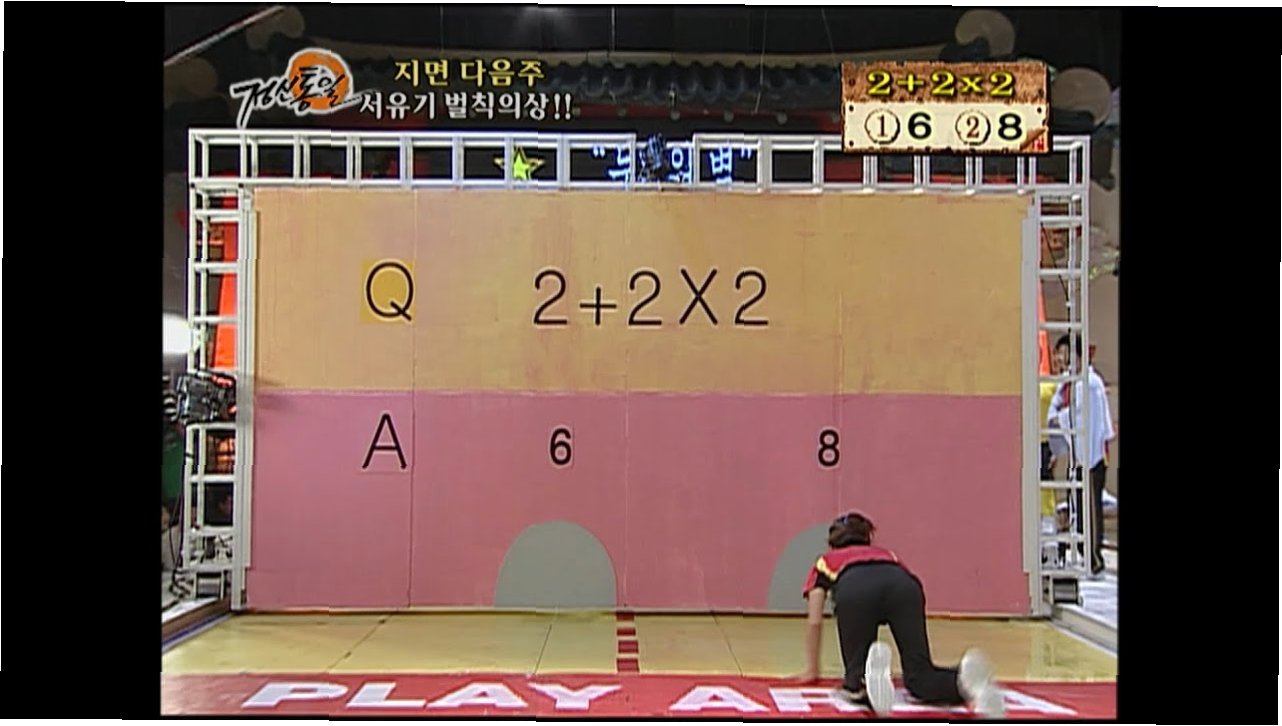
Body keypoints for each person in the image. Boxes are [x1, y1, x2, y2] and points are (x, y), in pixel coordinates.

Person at [796, 511, 1004, 717]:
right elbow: (901, 577)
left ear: (833, 542)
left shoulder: (826, 561)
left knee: (854, 679)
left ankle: (863, 681)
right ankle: (961, 680)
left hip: (856, 590)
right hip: (905, 588)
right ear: (867, 538)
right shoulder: (887, 555)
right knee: (920, 676)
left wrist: (812, 669)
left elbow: (815, 621)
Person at [1046, 335, 1115, 575]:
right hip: (1077, 454)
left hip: (1092, 454)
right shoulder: (1070, 382)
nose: (1062, 359)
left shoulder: (1091, 383)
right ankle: (1083, 553)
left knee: (1091, 507)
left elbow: (1085, 418)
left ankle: (1094, 558)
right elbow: (1057, 407)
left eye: (1066, 353)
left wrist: (1061, 419)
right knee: (1078, 505)